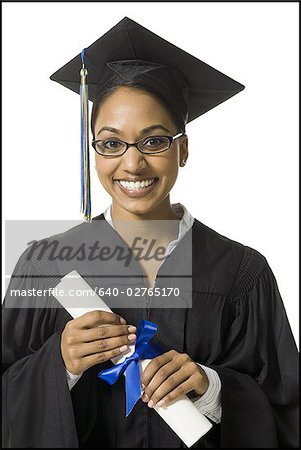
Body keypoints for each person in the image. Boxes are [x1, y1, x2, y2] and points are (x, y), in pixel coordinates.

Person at [2, 17, 298, 449]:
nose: (132, 163)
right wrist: (59, 364)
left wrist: (211, 387)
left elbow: (287, 407)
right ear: (95, 151)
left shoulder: (241, 272)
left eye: (154, 141)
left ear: (183, 148)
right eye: (110, 142)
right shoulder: (45, 264)